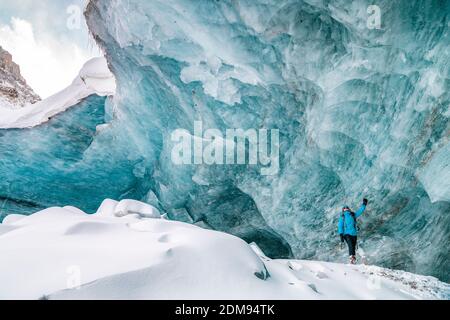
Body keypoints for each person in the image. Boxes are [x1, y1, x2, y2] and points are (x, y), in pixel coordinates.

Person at [338, 198, 368, 264]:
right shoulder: (342, 217)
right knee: (350, 245)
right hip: (346, 234)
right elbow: (340, 226)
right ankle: (352, 258)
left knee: (353, 247)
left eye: (347, 208)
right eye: (344, 209)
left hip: (354, 234)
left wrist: (364, 204)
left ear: (349, 209)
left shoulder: (353, 215)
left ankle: (355, 259)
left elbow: (360, 211)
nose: (346, 209)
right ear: (343, 210)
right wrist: (341, 235)